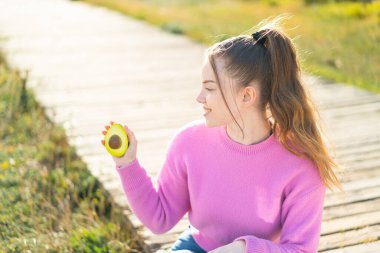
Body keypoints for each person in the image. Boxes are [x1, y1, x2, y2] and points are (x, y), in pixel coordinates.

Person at [101, 15, 344, 253]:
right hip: (197, 247)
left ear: (246, 96)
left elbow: (300, 249)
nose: (199, 98)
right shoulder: (189, 142)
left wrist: (240, 249)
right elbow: (159, 218)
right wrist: (127, 163)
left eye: (209, 88)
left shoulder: (301, 164)